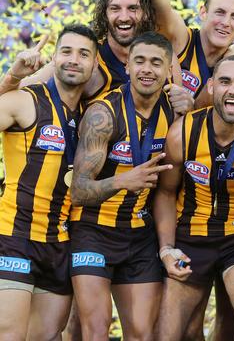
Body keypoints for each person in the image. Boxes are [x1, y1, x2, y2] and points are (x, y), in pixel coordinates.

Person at [154, 55, 234, 341]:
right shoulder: (183, 131)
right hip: (191, 235)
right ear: (211, 86)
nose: (233, 90)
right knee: (169, 334)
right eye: (225, 81)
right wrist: (166, 249)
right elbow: (165, 192)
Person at [68, 32, 177, 340]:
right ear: (127, 66)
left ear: (169, 70)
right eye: (139, 61)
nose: (147, 69)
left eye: (156, 63)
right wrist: (121, 181)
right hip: (93, 230)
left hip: (140, 236)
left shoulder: (174, 113)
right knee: (96, 329)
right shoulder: (104, 113)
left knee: (142, 333)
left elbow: (168, 190)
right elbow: (78, 191)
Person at [0, 25, 97, 340]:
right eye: (66, 51)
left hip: (60, 246)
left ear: (95, 65)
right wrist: (12, 78)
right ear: (53, 58)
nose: (73, 60)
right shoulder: (25, 99)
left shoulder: (94, 117)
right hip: (14, 238)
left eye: (84, 54)